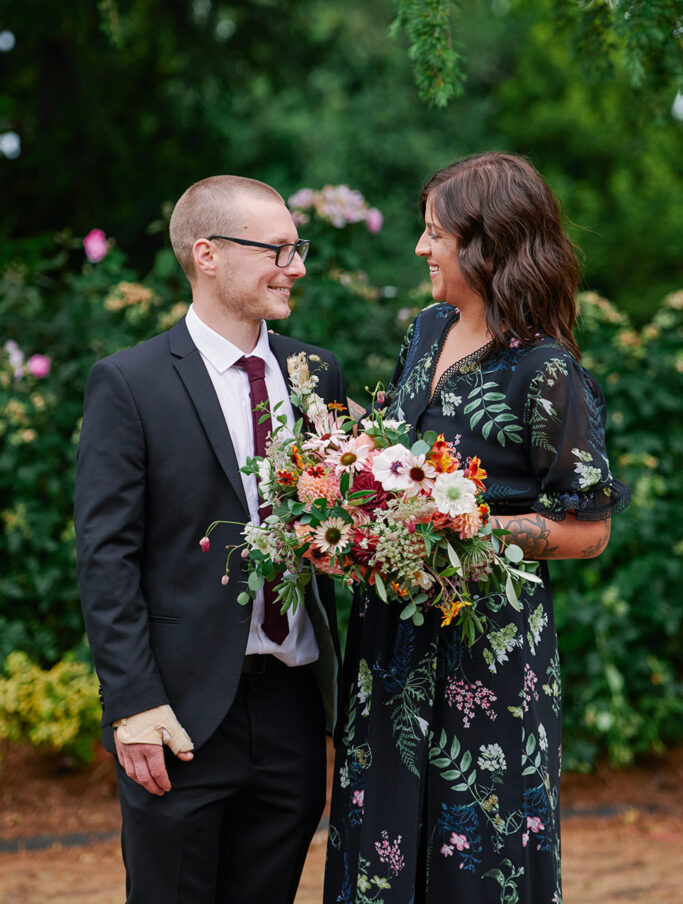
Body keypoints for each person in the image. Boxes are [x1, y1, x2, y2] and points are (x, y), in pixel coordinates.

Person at [323, 152, 630, 904]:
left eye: (434, 233)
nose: (421, 249)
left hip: (485, 658)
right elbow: (401, 460)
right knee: (381, 838)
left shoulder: (545, 370)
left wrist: (475, 532)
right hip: (389, 645)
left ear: (486, 244)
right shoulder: (425, 331)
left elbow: (588, 529)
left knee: (478, 848)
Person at [75, 175, 346, 904]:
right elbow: (107, 557)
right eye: (278, 250)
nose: (296, 266)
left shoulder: (317, 374)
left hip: (292, 705)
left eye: (297, 249)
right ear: (207, 254)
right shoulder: (128, 383)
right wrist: (131, 702)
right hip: (180, 714)